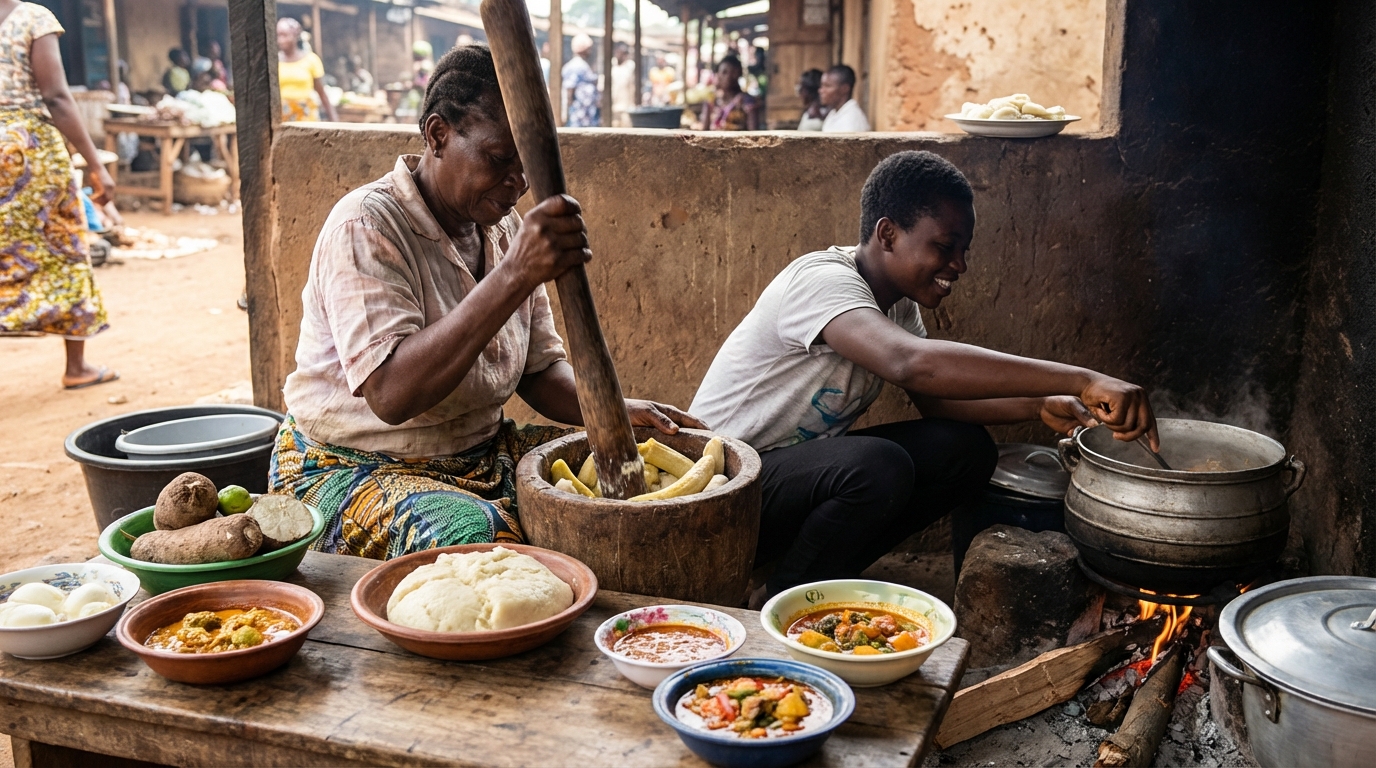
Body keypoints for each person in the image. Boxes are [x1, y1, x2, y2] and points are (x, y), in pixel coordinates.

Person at [270, 45, 703, 560]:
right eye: (499, 160)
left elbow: (539, 372)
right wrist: (514, 276)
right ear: (437, 135)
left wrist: (612, 413)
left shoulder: (503, 230)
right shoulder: (366, 226)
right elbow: (390, 394)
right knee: (484, 548)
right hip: (353, 465)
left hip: (482, 455)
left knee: (624, 483)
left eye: (525, 167)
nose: (517, 184)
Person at [689, 151, 1157, 604]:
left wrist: (1036, 404)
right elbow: (910, 362)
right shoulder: (821, 280)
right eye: (944, 246)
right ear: (888, 234)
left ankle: (803, 575)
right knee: (877, 465)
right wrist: (1082, 379)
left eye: (964, 249)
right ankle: (780, 601)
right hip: (719, 494)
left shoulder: (898, 304)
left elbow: (937, 402)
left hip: (781, 490)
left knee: (965, 451)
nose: (959, 264)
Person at [0, 0, 118, 389]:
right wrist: (96, 164)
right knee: (64, 247)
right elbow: (56, 97)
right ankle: (76, 367)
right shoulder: (33, 18)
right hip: (26, 150)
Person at [276, 18, 336, 122]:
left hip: (306, 117)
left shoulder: (311, 60)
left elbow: (322, 94)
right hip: (282, 119)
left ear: (295, 36)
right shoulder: (273, 61)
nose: (280, 40)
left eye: (285, 35)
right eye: (278, 35)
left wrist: (335, 121)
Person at [700, 55, 758, 131]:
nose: (729, 76)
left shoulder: (748, 102)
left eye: (733, 72)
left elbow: (753, 135)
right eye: (724, 72)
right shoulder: (711, 102)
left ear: (739, 74)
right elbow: (704, 132)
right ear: (718, 75)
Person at [562, 34, 599, 127]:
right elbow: (570, 90)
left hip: (586, 115)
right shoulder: (576, 66)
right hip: (578, 116)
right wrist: (565, 112)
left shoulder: (582, 65)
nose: (590, 51)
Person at [820, 64, 869, 132]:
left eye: (827, 86)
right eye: (822, 86)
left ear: (844, 89)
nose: (821, 90)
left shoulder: (850, 121)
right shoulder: (835, 112)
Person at [610, 42, 636, 127]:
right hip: (613, 106)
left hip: (626, 106)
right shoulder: (612, 66)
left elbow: (632, 85)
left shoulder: (630, 66)